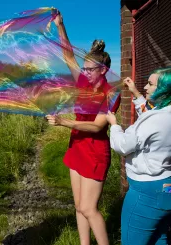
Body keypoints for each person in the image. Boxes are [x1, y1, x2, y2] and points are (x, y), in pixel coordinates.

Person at [46, 13, 120, 245]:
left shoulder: (111, 93)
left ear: (103, 70)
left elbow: (97, 127)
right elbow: (68, 55)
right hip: (76, 147)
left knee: (89, 209)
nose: (85, 72)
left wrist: (63, 122)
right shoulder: (83, 83)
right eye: (85, 68)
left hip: (95, 152)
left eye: (89, 69)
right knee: (79, 206)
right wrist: (61, 26)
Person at [106, 68, 171, 245]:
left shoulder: (155, 119)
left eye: (151, 84)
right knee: (160, 238)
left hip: (146, 193)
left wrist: (114, 126)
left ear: (165, 89)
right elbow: (151, 120)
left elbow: (122, 146)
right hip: (166, 188)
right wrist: (135, 92)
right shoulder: (164, 115)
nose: (145, 87)